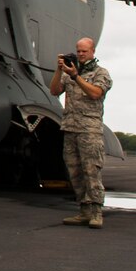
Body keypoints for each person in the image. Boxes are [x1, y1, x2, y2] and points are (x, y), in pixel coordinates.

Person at [50, 38, 113, 228]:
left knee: (91, 171)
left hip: (89, 130)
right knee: (74, 171)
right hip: (70, 128)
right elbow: (54, 91)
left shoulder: (100, 73)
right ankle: (84, 211)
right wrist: (60, 69)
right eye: (78, 51)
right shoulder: (68, 72)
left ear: (93, 51)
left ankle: (96, 212)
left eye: (84, 51)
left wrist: (77, 77)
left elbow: (95, 93)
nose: (80, 54)